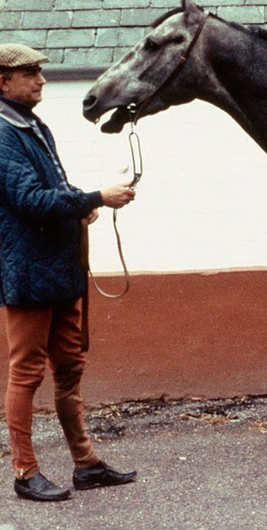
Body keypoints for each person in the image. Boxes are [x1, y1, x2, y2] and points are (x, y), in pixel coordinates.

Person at [0, 43, 137, 502]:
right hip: (28, 272)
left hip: (58, 269)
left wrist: (81, 205)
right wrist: (96, 197)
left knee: (70, 368)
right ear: (3, 82)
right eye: (30, 73)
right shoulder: (2, 133)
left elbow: (53, 190)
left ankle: (86, 464)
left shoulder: (30, 125)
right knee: (26, 374)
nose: (41, 80)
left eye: (39, 71)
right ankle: (25, 473)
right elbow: (30, 201)